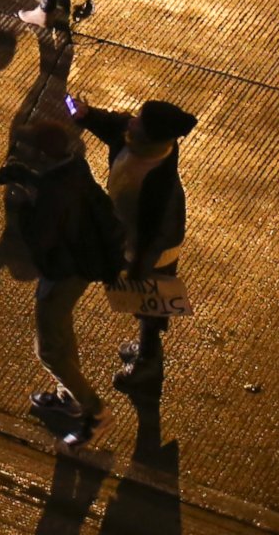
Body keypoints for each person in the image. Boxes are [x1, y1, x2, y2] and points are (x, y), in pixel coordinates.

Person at [0, 119, 122, 447]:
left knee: (50, 349)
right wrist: (26, 178)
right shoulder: (75, 167)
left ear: (41, 155)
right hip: (81, 266)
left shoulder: (53, 193)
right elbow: (55, 187)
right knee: (62, 336)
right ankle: (69, 397)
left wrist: (22, 208)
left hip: (62, 274)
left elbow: (40, 238)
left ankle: (95, 412)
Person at [69, 96, 194, 394]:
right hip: (131, 237)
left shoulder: (159, 185)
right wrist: (87, 114)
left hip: (153, 250)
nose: (132, 120)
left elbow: (155, 233)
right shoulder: (137, 138)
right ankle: (147, 349)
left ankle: (147, 363)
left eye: (140, 120)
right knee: (144, 301)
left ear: (151, 135)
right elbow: (114, 124)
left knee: (149, 303)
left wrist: (138, 266)